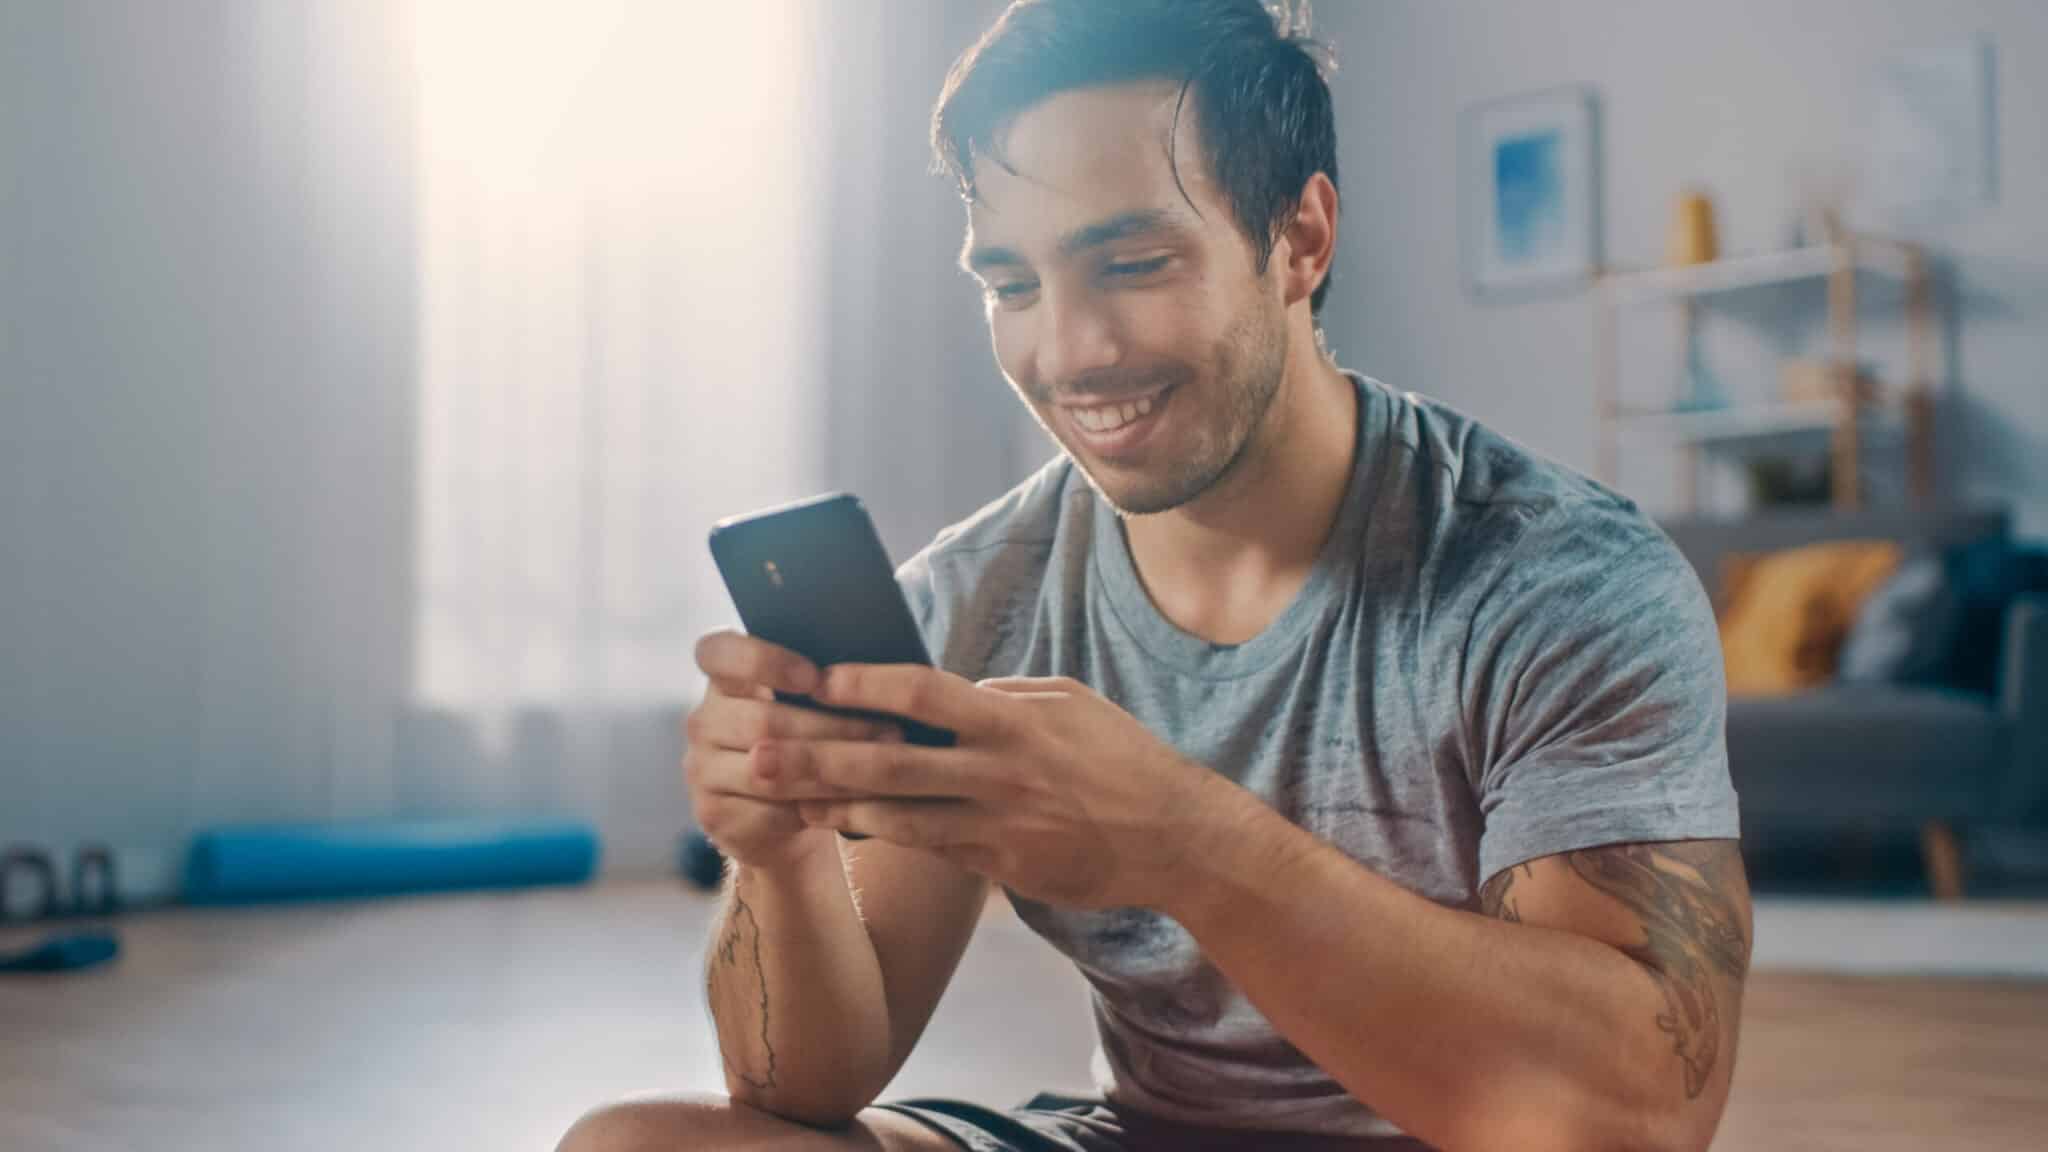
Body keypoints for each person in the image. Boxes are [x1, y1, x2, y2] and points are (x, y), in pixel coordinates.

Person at [559, 1, 1749, 1149]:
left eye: (1129, 262)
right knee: (634, 1147)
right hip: (1130, 1134)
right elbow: (807, 1086)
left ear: (1298, 240)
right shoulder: (977, 598)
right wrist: (781, 851)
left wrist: (1177, 837)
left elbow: (1629, 1119)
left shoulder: (1555, 578)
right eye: (1010, 286)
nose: (1068, 352)